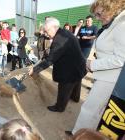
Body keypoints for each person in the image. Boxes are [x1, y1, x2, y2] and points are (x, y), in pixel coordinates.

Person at [70, 0, 125, 135]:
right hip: (106, 77)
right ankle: (87, 135)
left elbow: (120, 59)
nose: (97, 18)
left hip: (111, 80)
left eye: (99, 14)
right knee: (96, 112)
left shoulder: (122, 24)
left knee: (90, 110)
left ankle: (78, 136)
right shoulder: (114, 23)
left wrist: (92, 65)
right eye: (95, 15)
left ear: (111, 8)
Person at [29, 17, 87, 112]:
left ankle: (59, 107)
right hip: (79, 66)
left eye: (47, 31)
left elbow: (50, 60)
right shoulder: (64, 32)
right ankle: (75, 98)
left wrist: (35, 70)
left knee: (64, 88)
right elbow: (57, 51)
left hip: (70, 70)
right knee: (77, 81)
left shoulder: (59, 40)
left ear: (54, 28)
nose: (45, 34)